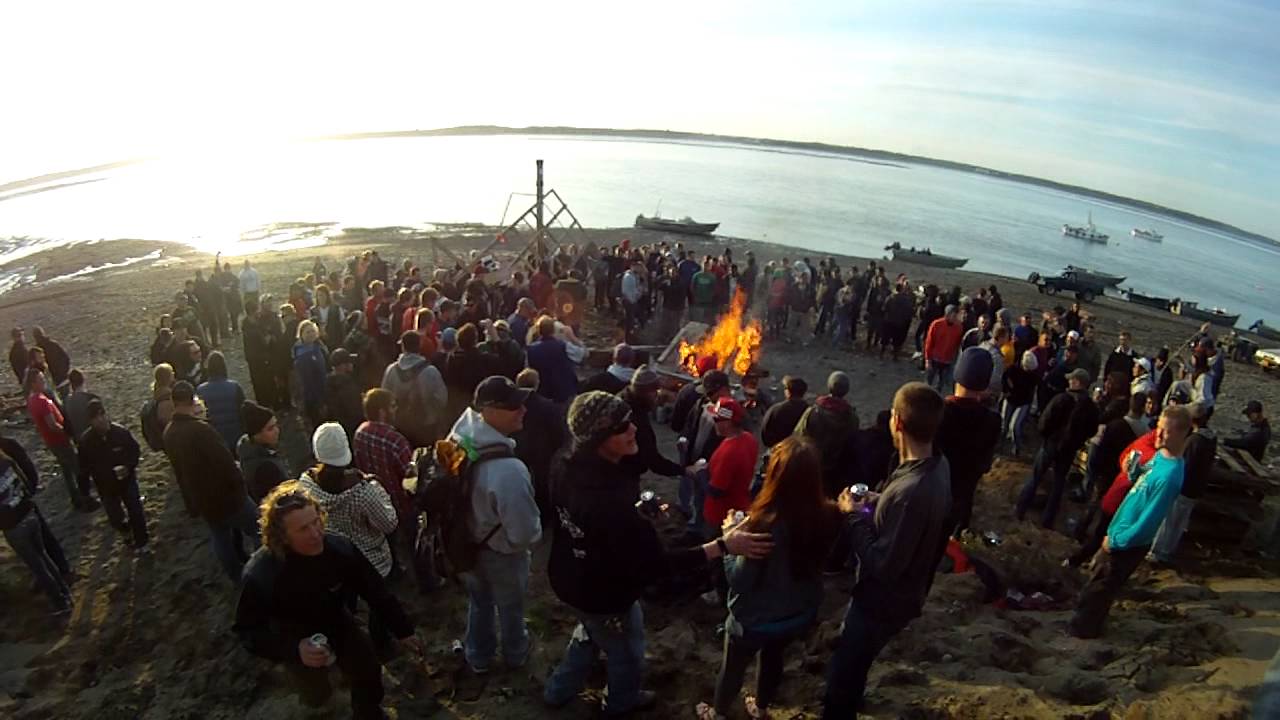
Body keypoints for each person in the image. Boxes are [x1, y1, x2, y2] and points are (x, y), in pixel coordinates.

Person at [543, 390, 773, 715]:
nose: (634, 428)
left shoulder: (564, 463)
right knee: (627, 653)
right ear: (598, 439)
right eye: (622, 427)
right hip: (605, 592)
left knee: (592, 632)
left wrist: (638, 519)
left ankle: (558, 691)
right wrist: (723, 546)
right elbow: (656, 566)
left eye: (631, 421)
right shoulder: (608, 501)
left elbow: (582, 522)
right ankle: (620, 704)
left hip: (570, 575)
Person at [233, 482, 420, 720]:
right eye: (303, 529)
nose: (315, 534)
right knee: (316, 695)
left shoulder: (338, 548)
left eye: (316, 521)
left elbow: (375, 591)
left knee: (368, 671)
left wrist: (403, 630)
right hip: (291, 634)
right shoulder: (261, 575)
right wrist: (294, 649)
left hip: (336, 621)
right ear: (282, 537)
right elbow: (246, 631)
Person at [822, 382, 951, 718]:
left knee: (841, 679)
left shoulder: (912, 491)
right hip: (904, 593)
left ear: (897, 422)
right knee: (857, 665)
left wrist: (853, 518)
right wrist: (880, 503)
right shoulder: (936, 464)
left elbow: (883, 563)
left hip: (881, 603)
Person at [697, 437, 841, 720]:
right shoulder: (829, 514)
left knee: (733, 668)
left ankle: (719, 713)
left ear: (775, 475)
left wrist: (730, 541)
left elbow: (739, 580)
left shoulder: (763, 524)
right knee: (774, 659)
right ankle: (761, 707)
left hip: (753, 619)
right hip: (797, 612)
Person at [1068, 405, 1191, 638]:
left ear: (1182, 434)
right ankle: (1086, 627)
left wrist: (1113, 542)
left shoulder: (1170, 477)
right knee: (1096, 586)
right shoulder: (1160, 456)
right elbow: (1141, 483)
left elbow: (1147, 521)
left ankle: (1080, 635)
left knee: (1098, 592)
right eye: (1159, 428)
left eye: (1166, 431)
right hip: (1119, 533)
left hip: (1128, 543)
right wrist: (1134, 471)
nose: (1159, 435)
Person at [448, 376, 542, 674]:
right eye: (514, 406)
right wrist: (529, 539)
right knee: (510, 607)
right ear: (488, 410)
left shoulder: (460, 435)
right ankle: (515, 653)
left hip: (464, 543)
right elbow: (524, 532)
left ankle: (478, 655)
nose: (523, 410)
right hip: (501, 554)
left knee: (479, 602)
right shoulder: (509, 471)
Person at [298, 423, 400, 650]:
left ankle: (349, 637)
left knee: (345, 602)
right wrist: (378, 487)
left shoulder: (305, 484)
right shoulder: (363, 491)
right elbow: (389, 523)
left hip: (331, 558)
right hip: (371, 560)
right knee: (377, 602)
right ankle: (381, 642)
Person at [163, 381, 259, 582]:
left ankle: (236, 575)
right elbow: (224, 462)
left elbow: (179, 472)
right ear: (192, 400)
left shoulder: (169, 433)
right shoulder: (201, 430)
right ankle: (259, 570)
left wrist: (191, 502)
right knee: (258, 527)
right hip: (228, 496)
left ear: (173, 402)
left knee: (221, 537)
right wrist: (240, 482)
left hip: (202, 498)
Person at [1015, 368, 1098, 530]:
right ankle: (1048, 519)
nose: (1069, 381)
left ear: (1077, 382)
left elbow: (1044, 421)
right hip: (1069, 450)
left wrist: (1047, 436)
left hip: (1051, 444)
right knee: (1059, 483)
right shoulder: (1090, 407)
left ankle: (1020, 509)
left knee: (1036, 476)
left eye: (1072, 379)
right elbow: (1092, 430)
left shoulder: (1061, 399)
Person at [934, 347, 1002, 539]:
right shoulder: (992, 420)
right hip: (964, 489)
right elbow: (985, 462)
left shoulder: (939, 412)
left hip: (933, 491)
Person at [0, 444, 72, 614]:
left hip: (14, 526)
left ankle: (60, 604)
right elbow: (26, 483)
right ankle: (65, 592)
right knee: (44, 556)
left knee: (37, 566)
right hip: (30, 514)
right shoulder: (6, 461)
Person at [703, 398, 760, 599]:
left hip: (719, 512)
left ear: (728, 422)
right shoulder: (748, 439)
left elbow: (716, 490)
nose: (714, 422)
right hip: (740, 504)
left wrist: (699, 476)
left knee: (718, 553)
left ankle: (719, 592)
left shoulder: (729, 452)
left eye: (718, 420)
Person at [1149, 402, 1216, 565]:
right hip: (1196, 488)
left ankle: (1157, 551)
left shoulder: (1194, 440)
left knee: (1169, 520)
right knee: (1179, 523)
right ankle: (1168, 551)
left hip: (1184, 486)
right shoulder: (1211, 438)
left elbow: (1186, 464)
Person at [77, 400, 149, 551]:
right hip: (105, 487)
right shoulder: (86, 442)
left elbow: (134, 451)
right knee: (115, 518)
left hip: (126, 481)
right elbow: (82, 469)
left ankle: (143, 543)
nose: (101, 419)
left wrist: (128, 466)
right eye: (96, 417)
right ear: (90, 421)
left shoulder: (120, 432)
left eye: (102, 414)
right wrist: (84, 493)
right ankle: (126, 532)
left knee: (136, 510)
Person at [25, 369, 96, 510]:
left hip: (51, 441)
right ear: (33, 383)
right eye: (41, 380)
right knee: (77, 469)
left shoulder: (32, 399)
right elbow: (52, 425)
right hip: (59, 440)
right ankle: (85, 500)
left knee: (66, 470)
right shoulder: (41, 401)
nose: (44, 381)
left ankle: (76, 499)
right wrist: (68, 433)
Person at [512, 369, 570, 528]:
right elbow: (558, 430)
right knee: (542, 485)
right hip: (542, 450)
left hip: (518, 447)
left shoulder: (511, 405)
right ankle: (544, 517)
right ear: (537, 384)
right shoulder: (548, 405)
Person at [793, 371, 859, 498]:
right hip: (835, 470)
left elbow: (798, 436)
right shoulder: (851, 418)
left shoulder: (813, 412)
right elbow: (852, 443)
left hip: (810, 466)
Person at [380, 330, 447, 448]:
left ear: (402, 347)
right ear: (419, 346)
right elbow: (442, 399)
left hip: (400, 424)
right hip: (425, 426)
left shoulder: (391, 370)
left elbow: (384, 396)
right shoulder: (430, 371)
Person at [196, 351, 247, 454]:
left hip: (215, 436)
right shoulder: (235, 387)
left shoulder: (201, 390)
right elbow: (243, 411)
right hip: (236, 433)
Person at [526, 316, 578, 404]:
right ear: (553, 330)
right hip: (564, 391)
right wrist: (573, 338)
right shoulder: (563, 346)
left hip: (542, 393)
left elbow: (528, 370)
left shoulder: (531, 349)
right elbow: (583, 354)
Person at [1001, 350, 1039, 456]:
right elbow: (1004, 379)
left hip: (1023, 403)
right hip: (1011, 400)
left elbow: (1032, 392)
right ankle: (1000, 446)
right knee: (1004, 424)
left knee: (1015, 426)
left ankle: (1017, 447)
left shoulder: (1033, 376)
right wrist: (1006, 391)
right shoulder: (1012, 370)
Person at [323, 348, 364, 438]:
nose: (352, 364)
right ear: (342, 366)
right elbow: (354, 409)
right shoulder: (346, 384)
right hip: (351, 427)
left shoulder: (328, 381)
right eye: (349, 362)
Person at [760, 376, 809, 448]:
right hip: (803, 453)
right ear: (804, 392)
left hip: (779, 452)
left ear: (788, 391)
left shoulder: (775, 410)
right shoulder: (811, 412)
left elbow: (765, 434)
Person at [923, 305, 963, 392]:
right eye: (953, 315)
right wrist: (927, 359)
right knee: (929, 381)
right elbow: (929, 342)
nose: (955, 317)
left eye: (956, 315)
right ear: (947, 314)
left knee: (941, 383)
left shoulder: (958, 327)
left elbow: (957, 345)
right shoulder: (936, 324)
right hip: (934, 358)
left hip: (947, 360)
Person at [32, 327, 71, 394]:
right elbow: (66, 358)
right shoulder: (53, 344)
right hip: (62, 379)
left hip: (50, 384)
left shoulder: (36, 352)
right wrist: (64, 372)